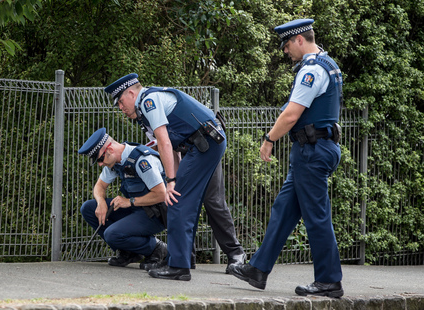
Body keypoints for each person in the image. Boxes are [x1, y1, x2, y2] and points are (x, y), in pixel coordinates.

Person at [228, 19, 344, 298]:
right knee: (283, 210)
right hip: (312, 150)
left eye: (287, 44)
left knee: (316, 217)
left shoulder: (312, 71)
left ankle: (329, 281)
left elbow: (291, 114)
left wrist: (269, 140)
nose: (284, 50)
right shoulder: (326, 64)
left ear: (300, 40)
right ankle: (258, 269)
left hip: (312, 152)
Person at [105, 73, 228, 281]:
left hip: (206, 143)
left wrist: (171, 181)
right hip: (199, 145)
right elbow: (173, 148)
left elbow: (164, 142)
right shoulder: (145, 109)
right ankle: (180, 260)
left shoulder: (149, 102)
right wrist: (175, 179)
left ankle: (179, 266)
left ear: (131, 93)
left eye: (121, 101)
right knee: (178, 199)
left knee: (177, 200)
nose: (120, 107)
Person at [144, 135, 246, 273]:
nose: (123, 111)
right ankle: (184, 258)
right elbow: (170, 147)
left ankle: (236, 253)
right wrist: (175, 180)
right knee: (181, 201)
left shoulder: (156, 113)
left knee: (213, 201)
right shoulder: (146, 120)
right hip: (187, 151)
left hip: (206, 146)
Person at [78, 128, 168, 268]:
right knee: (89, 208)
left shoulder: (142, 160)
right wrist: (101, 202)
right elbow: (99, 187)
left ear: (110, 149)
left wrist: (129, 201)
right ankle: (129, 252)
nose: (101, 164)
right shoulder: (114, 162)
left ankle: (157, 248)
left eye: (100, 159)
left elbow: (162, 194)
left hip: (154, 213)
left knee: (112, 234)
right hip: (135, 209)